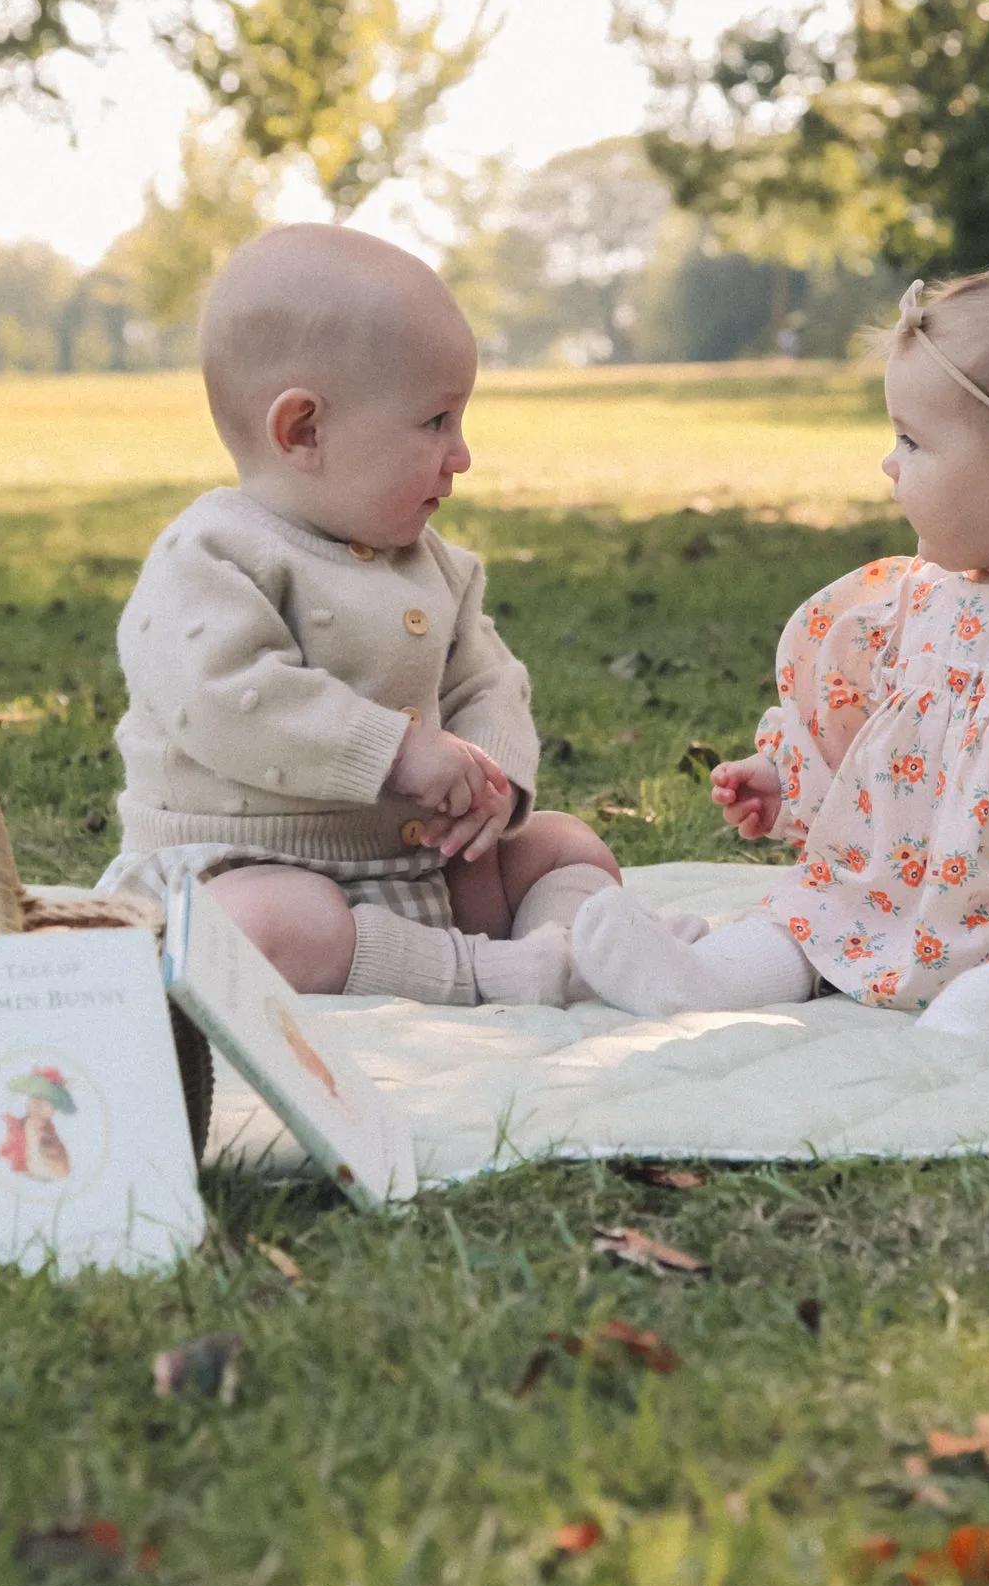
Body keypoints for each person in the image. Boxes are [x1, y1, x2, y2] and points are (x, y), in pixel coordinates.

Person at [573, 258, 989, 1042]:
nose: (889, 464)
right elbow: (873, 733)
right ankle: (710, 978)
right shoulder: (914, 599)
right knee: (821, 897)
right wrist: (792, 774)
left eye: (912, 443)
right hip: (900, 876)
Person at [98, 223, 623, 1005]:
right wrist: (398, 753)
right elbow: (229, 699)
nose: (462, 455)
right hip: (253, 866)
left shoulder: (430, 561)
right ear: (303, 431)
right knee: (272, 929)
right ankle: (487, 976)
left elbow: (486, 678)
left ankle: (573, 950)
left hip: (415, 868)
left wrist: (494, 779)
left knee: (564, 848)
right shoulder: (211, 555)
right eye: (435, 422)